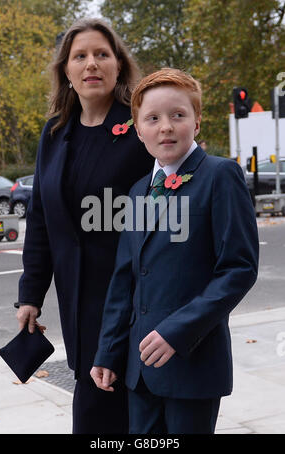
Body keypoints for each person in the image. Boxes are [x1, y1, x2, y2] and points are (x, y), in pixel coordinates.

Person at [91, 68, 259, 434]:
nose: (165, 126)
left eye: (178, 115)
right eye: (153, 118)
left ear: (197, 122)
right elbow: (125, 280)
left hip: (192, 364)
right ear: (139, 130)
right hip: (140, 371)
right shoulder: (138, 191)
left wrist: (178, 332)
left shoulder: (220, 175)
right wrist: (108, 351)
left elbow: (239, 268)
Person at [15, 18, 154, 434]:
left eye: (101, 54)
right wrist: (30, 295)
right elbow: (41, 219)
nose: (91, 63)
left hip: (133, 305)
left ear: (118, 66)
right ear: (67, 71)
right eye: (80, 56)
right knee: (94, 413)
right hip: (77, 305)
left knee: (131, 419)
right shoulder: (55, 134)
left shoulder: (140, 129)